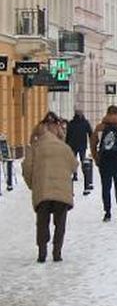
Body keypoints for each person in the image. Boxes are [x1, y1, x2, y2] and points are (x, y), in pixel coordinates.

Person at [22, 112, 78, 262]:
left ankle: (42, 253)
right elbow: (74, 166)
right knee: (60, 223)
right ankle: (57, 253)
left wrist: (33, 184)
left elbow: (27, 168)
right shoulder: (64, 148)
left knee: (42, 222)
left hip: (42, 191)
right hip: (62, 192)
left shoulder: (35, 147)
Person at [90, 105, 117, 222]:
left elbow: (93, 144)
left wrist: (97, 158)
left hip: (104, 160)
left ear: (107, 113)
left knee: (106, 187)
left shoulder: (100, 127)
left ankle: (107, 212)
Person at [65, 109, 92, 180]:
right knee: (82, 160)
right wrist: (92, 141)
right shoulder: (85, 123)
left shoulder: (71, 123)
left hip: (73, 144)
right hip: (82, 144)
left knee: (74, 160)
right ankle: (85, 175)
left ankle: (75, 174)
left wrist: (66, 143)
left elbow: (68, 135)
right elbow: (90, 133)